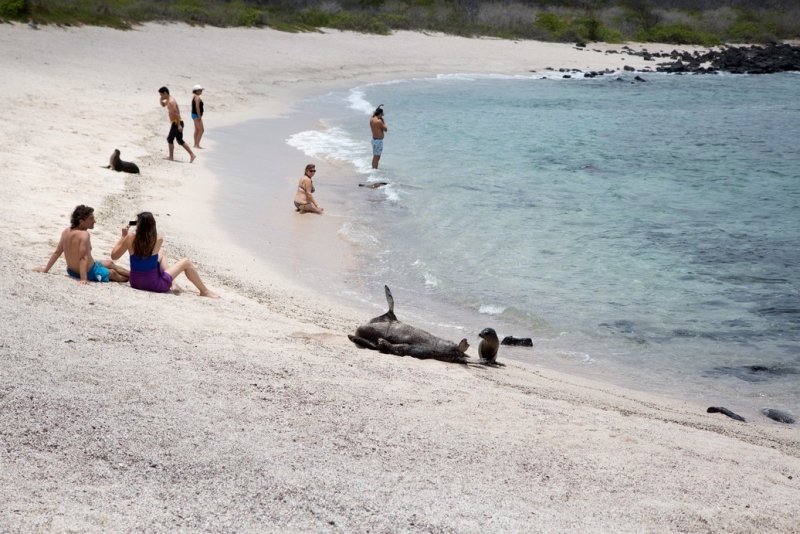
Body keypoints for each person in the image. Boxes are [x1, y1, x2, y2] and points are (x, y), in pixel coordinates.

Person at [111, 211, 219, 298]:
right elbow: (149, 246)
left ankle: (174, 283)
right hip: (155, 285)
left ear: (138, 225)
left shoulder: (129, 238)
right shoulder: (158, 240)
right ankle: (204, 291)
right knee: (186, 262)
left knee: (160, 254)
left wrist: (123, 236)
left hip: (135, 282)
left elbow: (114, 256)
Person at [33, 205, 130, 284]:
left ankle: (133, 274)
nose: (94, 221)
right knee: (113, 273)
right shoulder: (84, 235)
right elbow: (83, 257)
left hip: (71, 270)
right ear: (81, 222)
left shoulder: (66, 231)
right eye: (91, 219)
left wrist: (46, 269)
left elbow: (57, 252)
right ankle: (133, 278)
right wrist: (84, 279)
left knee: (110, 263)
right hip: (88, 272)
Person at [158, 86, 196, 163]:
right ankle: (192, 155)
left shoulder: (172, 101)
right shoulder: (168, 100)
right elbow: (163, 105)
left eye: (161, 95)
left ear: (165, 93)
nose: (161, 96)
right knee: (179, 140)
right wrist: (160, 100)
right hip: (177, 122)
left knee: (170, 139)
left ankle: (171, 157)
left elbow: (176, 113)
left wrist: (179, 125)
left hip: (176, 122)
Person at [370, 104, 388, 169]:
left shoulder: (372, 118)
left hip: (374, 140)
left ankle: (373, 168)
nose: (381, 116)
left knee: (375, 156)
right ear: (380, 114)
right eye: (381, 115)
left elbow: (374, 113)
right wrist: (383, 121)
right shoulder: (379, 121)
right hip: (378, 141)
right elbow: (385, 129)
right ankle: (374, 169)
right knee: (377, 157)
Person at [191, 84, 205, 149]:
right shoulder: (197, 97)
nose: (201, 91)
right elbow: (197, 107)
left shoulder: (194, 96)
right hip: (196, 115)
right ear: (196, 91)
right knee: (201, 130)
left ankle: (195, 144)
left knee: (197, 130)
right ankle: (197, 145)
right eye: (200, 90)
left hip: (194, 114)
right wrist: (199, 116)